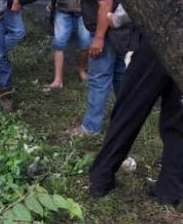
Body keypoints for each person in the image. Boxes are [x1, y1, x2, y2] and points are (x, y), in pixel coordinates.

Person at [88, 34, 183, 204]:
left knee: (130, 108)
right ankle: (169, 190)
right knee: (177, 120)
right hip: (169, 39)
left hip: (161, 38)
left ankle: (101, 177)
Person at [64, 0, 126, 137]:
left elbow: (105, 4)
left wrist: (99, 37)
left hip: (106, 31)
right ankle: (129, 120)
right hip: (120, 29)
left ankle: (91, 127)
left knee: (99, 79)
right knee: (121, 77)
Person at [43, 0, 91, 91]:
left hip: (84, 11)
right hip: (62, 9)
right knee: (58, 43)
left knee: (85, 43)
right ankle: (57, 80)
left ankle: (82, 70)